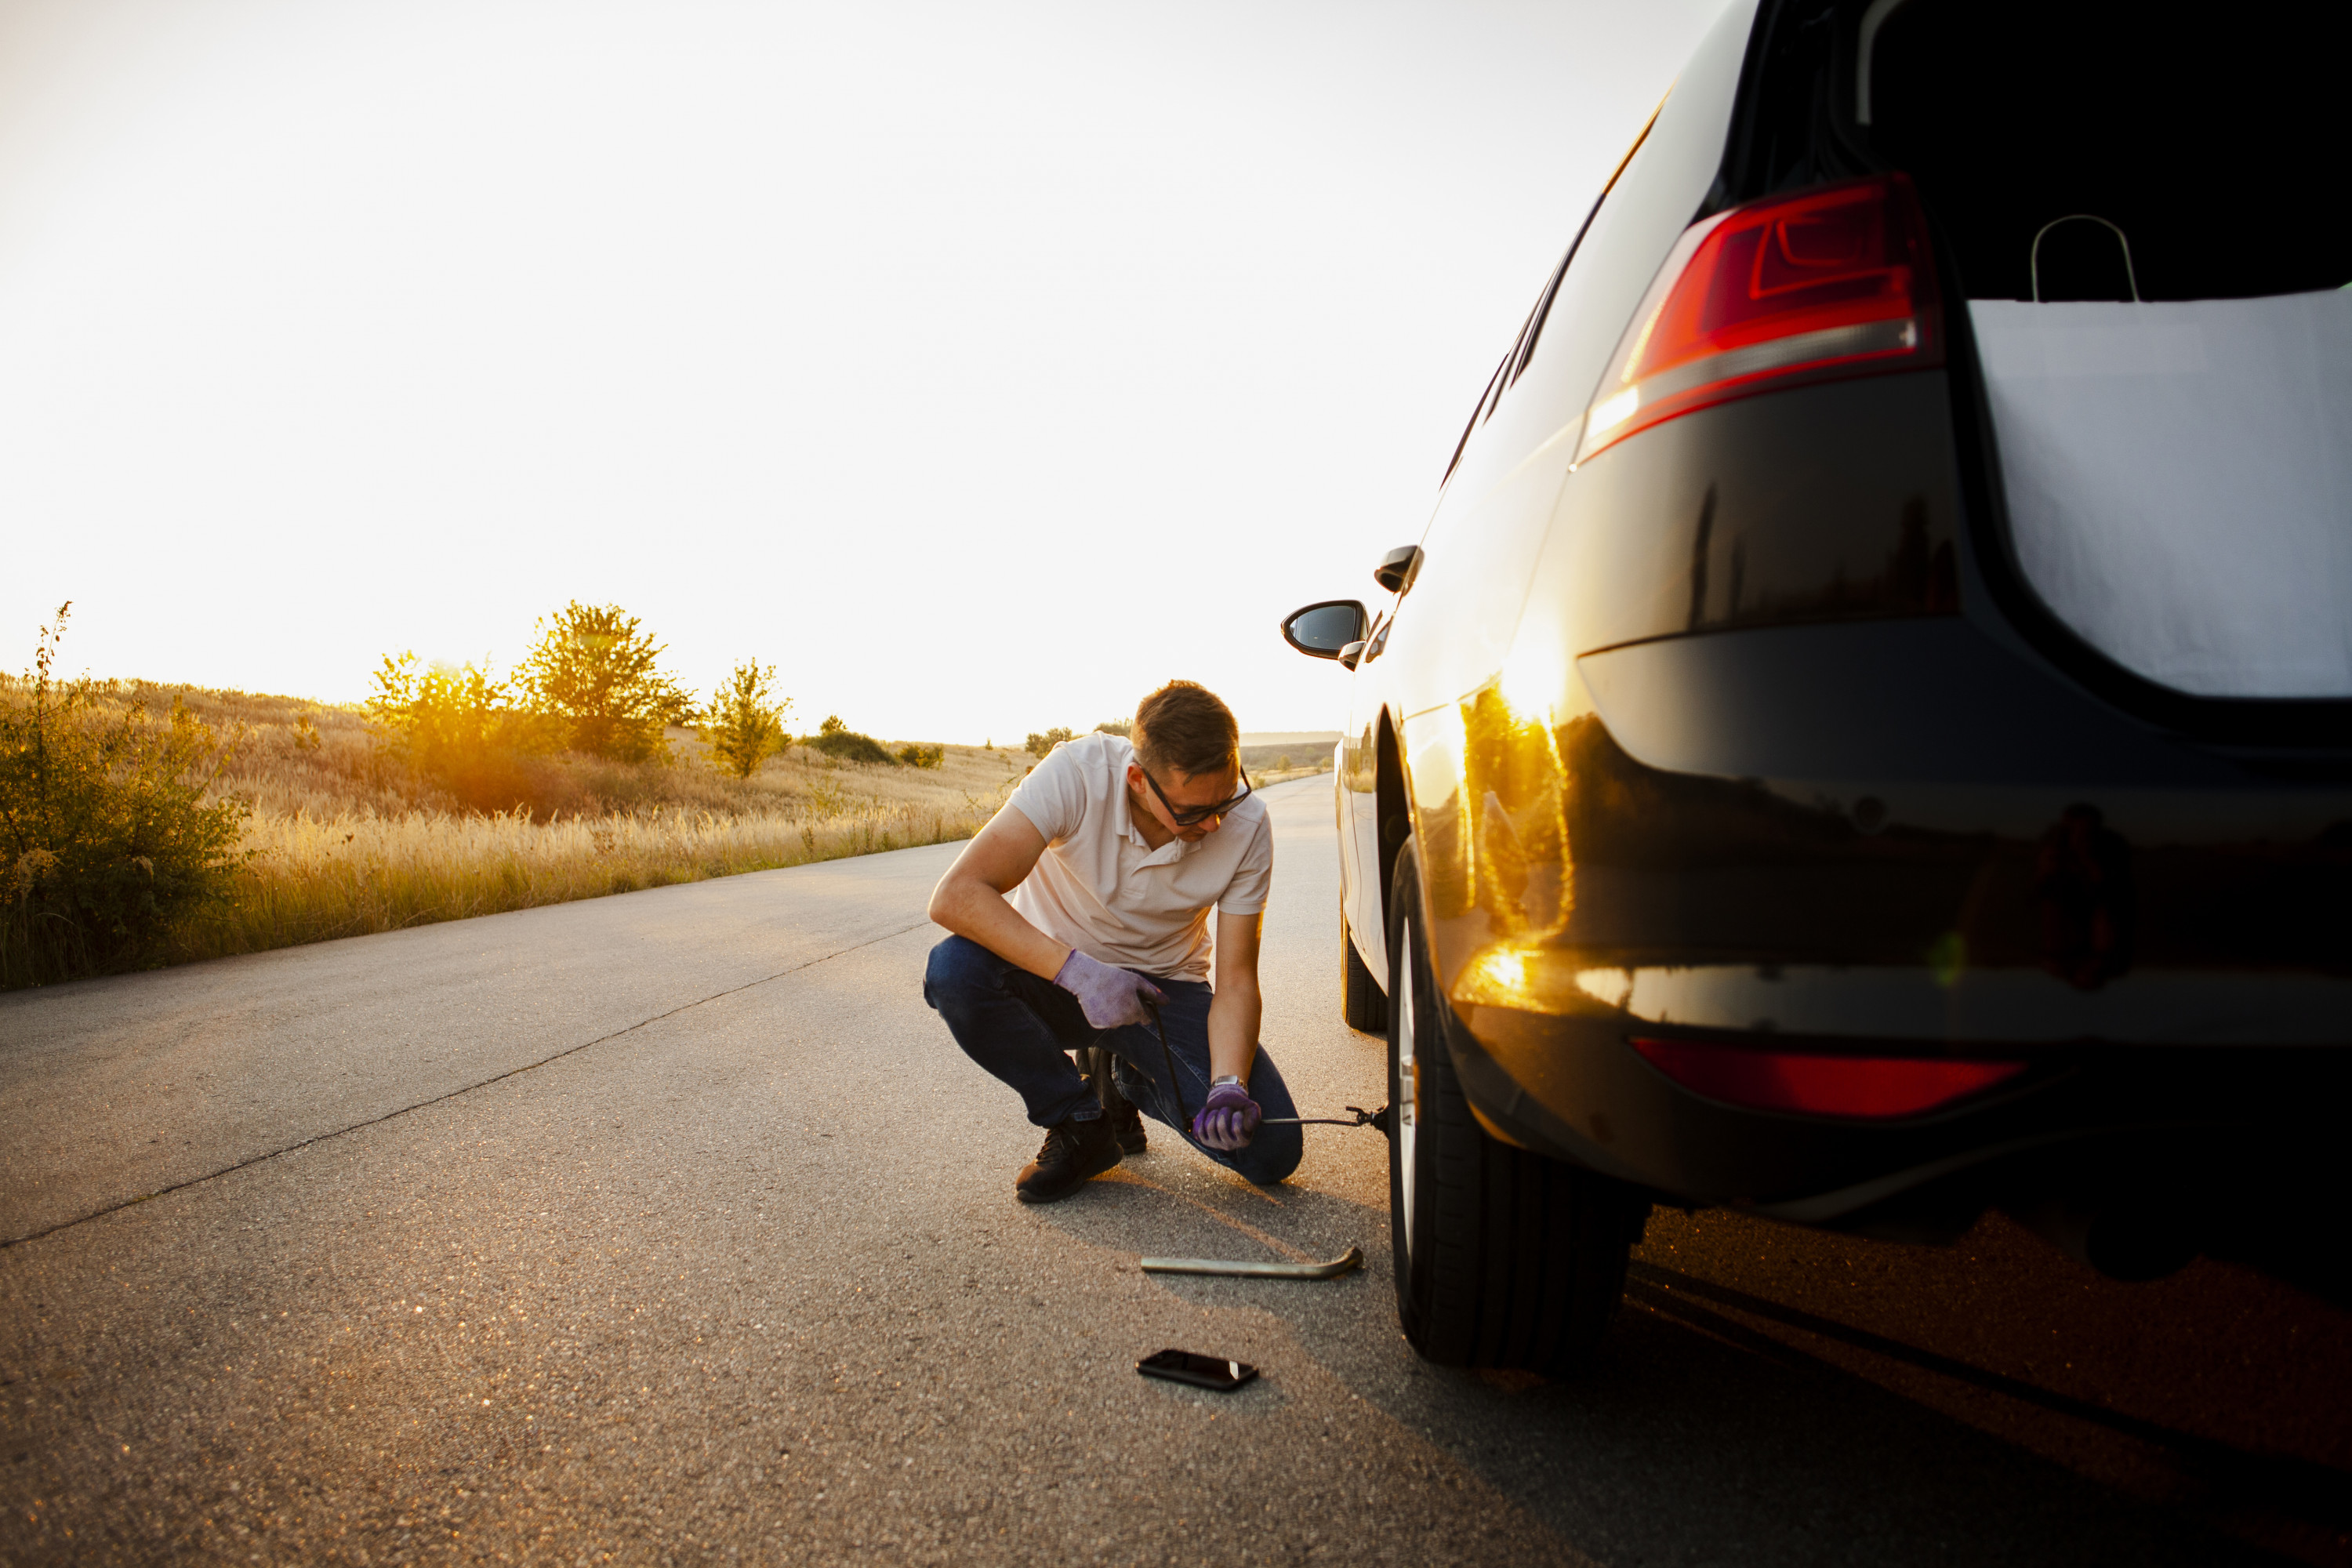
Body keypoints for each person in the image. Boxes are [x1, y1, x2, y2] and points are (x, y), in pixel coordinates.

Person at [923, 680, 1301, 1203]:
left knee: (1272, 1152)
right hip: (1055, 978)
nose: (1215, 824)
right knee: (954, 972)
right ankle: (1079, 1122)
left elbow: (1237, 978)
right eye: (1192, 812)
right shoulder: (1075, 775)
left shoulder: (1247, 824)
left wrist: (1228, 1085)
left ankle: (1131, 1077)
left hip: (1163, 994)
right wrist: (1079, 973)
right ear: (1137, 780)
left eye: (1227, 797)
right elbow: (956, 896)